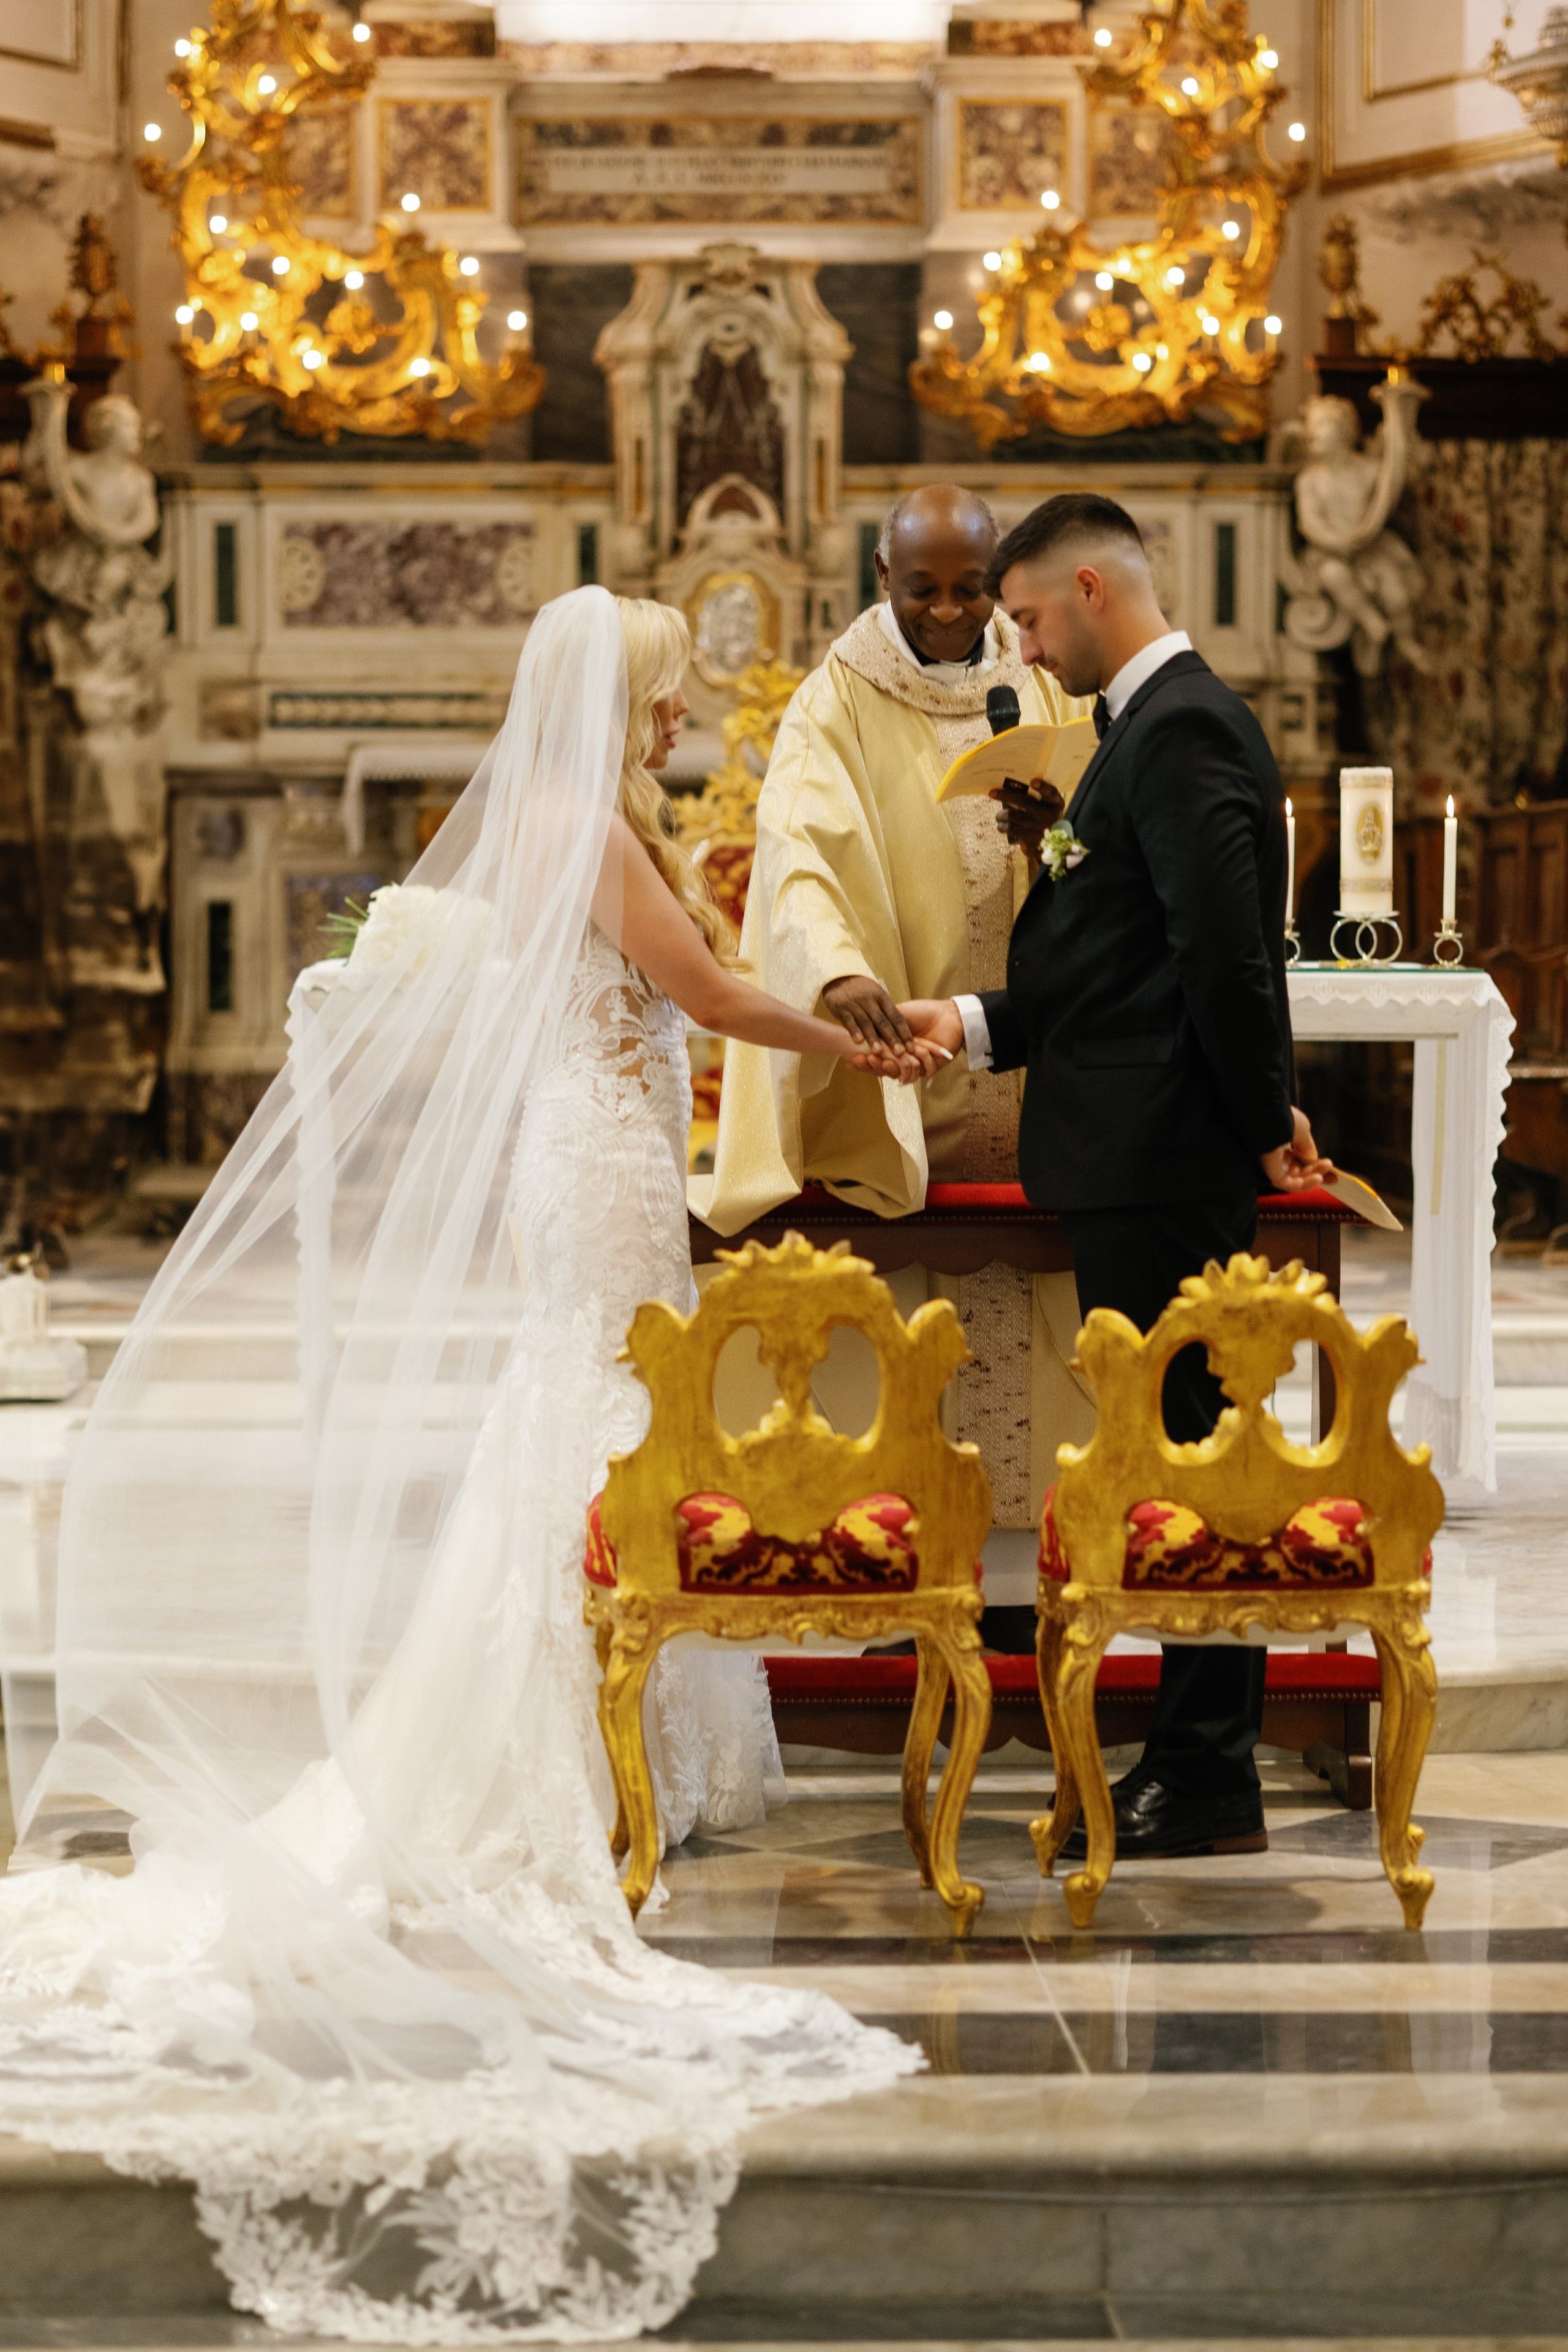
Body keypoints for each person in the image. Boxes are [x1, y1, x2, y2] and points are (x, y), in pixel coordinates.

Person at [0, 589, 929, 2343]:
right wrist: (876, 1039)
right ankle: (565, 1752)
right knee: (599, 1426)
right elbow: (707, 989)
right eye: (664, 693)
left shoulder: (552, 821)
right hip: (600, 1170)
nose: (676, 717)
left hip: (592, 1154)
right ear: (618, 699)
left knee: (599, 1425)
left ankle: (635, 1736)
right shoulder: (585, 823)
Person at [899, 493, 1332, 1860]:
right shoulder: (1134, 733)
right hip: (1128, 1149)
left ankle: (1209, 1772)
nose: (1020, 645)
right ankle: (1196, 1760)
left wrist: (1264, 1122)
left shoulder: (1184, 724)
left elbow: (1223, 954)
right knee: (1168, 1450)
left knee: (1194, 1457)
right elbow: (1109, 966)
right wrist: (964, 1026)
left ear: (1088, 587)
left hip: (1165, 1157)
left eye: (1024, 616)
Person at [695, 488, 1093, 1638]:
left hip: (1034, 1048)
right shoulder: (840, 698)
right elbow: (800, 851)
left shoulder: (1042, 680)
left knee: (1047, 1285)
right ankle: (921, 1557)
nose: (954, 610)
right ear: (883, 574)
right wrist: (832, 974)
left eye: (972, 585)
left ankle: (1037, 1574)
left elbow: (1096, 823)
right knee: (923, 1294)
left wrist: (1052, 840)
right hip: (915, 1061)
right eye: (926, 587)